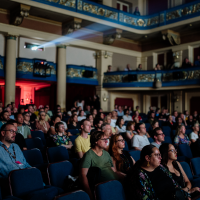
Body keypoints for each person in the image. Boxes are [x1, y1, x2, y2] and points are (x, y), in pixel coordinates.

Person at [125, 145, 190, 200]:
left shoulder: (161, 167)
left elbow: (175, 184)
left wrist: (185, 194)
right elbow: (146, 198)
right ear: (147, 158)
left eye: (160, 155)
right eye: (157, 155)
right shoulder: (139, 176)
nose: (160, 158)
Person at [79, 131, 118, 200]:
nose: (106, 141)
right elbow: (83, 175)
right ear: (96, 141)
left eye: (107, 139)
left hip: (115, 184)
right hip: (103, 189)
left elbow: (113, 171)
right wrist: (90, 194)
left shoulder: (106, 153)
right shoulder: (88, 155)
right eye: (104, 139)